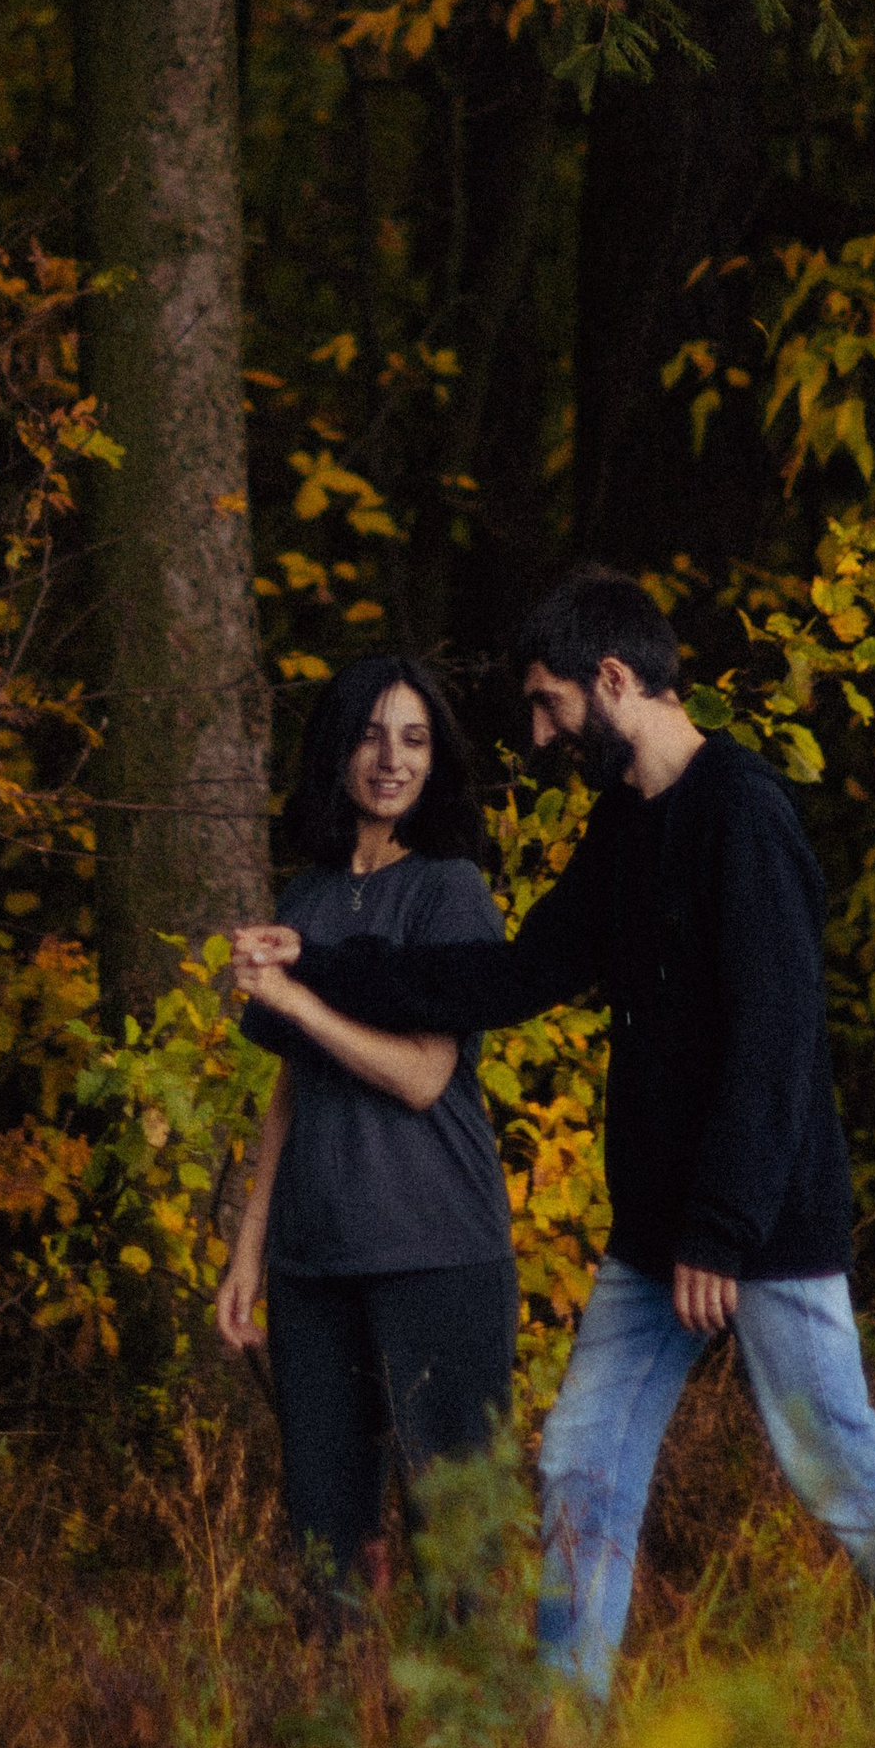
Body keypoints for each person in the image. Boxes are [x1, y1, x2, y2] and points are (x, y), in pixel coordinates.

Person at [229, 569, 875, 1697]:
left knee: (837, 1468)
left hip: (760, 1231)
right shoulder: (624, 826)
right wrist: (316, 964)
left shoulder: (745, 815)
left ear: (611, 682)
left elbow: (776, 1042)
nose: (539, 733)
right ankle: (564, 1732)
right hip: (654, 1231)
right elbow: (517, 972)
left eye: (548, 706)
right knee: (580, 1464)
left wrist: (719, 1230)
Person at [216, 654, 520, 1610]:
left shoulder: (447, 892)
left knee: (455, 1534)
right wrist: (249, 1247)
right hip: (316, 1259)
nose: (393, 760)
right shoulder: (305, 896)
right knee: (324, 1538)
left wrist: (299, 1001)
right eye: (373, 734)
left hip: (435, 1246)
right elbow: (292, 1089)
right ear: (338, 748)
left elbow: (426, 1076)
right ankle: (337, 1744)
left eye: (417, 739)